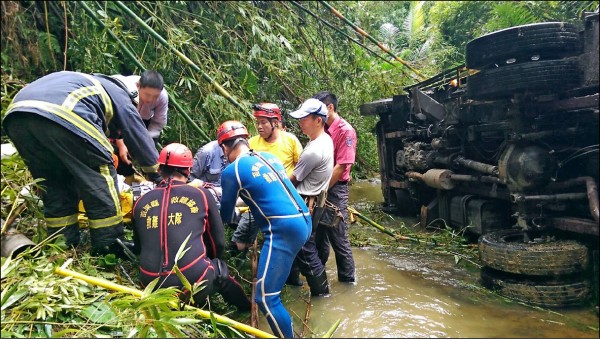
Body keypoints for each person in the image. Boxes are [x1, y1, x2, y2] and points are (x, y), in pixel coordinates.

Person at [2, 70, 160, 257]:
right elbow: (138, 135)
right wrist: (158, 174)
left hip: (17, 117)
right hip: (62, 114)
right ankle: (109, 244)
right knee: (100, 172)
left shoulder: (85, 83)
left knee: (53, 180)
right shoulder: (118, 93)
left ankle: (61, 242)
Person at [218, 120, 311, 338]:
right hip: (303, 219)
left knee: (266, 298)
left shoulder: (233, 172)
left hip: (283, 229)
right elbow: (264, 193)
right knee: (273, 288)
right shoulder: (269, 157)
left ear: (224, 147)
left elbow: (225, 214)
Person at [131, 143, 251, 311]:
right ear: (188, 171)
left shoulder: (140, 202)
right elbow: (218, 243)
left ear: (159, 170)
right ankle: (247, 311)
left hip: (150, 285)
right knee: (219, 270)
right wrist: (207, 260)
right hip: (193, 280)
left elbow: (138, 246)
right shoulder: (201, 194)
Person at [233, 102, 305, 286]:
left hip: (284, 204)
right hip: (257, 203)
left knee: (289, 246)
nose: (259, 126)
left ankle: (290, 281)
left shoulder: (290, 141)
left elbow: (301, 170)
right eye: (257, 122)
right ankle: (237, 275)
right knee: (241, 238)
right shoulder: (252, 144)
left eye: (264, 122)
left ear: (275, 122)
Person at [288, 98, 335, 297]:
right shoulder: (325, 139)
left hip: (306, 205)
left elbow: (292, 180)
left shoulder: (314, 150)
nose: (300, 122)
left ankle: (322, 293)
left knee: (306, 251)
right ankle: (292, 282)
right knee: (300, 247)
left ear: (318, 120)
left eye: (304, 118)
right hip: (316, 203)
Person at [313, 91, 357, 284]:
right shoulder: (323, 129)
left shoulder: (346, 131)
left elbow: (342, 167)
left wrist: (321, 191)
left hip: (335, 189)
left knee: (338, 238)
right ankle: (319, 279)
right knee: (319, 235)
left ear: (330, 108)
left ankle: (348, 283)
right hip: (322, 187)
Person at [108, 70, 168, 179]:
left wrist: (145, 143)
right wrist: (121, 144)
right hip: (118, 119)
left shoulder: (163, 96)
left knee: (150, 156)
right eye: (147, 94)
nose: (150, 99)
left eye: (155, 96)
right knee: (120, 154)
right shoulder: (125, 88)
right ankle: (126, 178)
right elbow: (117, 118)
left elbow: (158, 122)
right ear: (138, 86)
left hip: (144, 122)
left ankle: (154, 182)